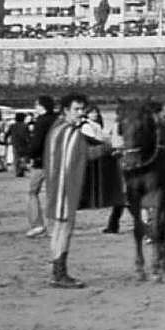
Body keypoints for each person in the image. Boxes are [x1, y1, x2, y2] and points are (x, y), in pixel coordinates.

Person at [42, 93, 111, 288]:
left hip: (56, 185)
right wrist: (110, 146)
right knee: (64, 229)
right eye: (76, 110)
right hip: (64, 187)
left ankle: (57, 271)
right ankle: (59, 273)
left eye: (82, 110)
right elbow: (84, 156)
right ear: (65, 110)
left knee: (59, 229)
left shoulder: (57, 128)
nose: (80, 114)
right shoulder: (69, 132)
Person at [23, 95, 57, 238]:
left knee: (33, 192)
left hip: (41, 162)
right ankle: (54, 226)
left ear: (41, 106)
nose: (35, 108)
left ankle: (37, 225)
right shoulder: (57, 119)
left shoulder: (41, 121)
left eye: (36, 105)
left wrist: (28, 155)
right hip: (56, 160)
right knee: (53, 194)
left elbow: (37, 143)